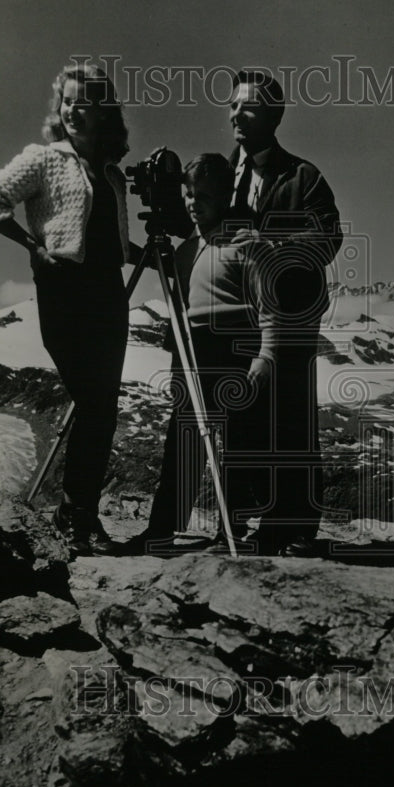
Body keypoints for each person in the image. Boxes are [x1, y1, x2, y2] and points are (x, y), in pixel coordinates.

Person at [0, 62, 131, 556]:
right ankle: (75, 516)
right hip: (63, 292)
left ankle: (79, 517)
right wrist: (31, 247)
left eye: (85, 101)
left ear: (105, 112)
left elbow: (109, 240)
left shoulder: (111, 173)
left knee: (103, 410)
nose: (74, 110)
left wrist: (144, 250)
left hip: (108, 295)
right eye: (67, 101)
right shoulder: (43, 159)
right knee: (94, 401)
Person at [130, 153, 277, 554]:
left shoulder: (247, 241)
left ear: (226, 195)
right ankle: (161, 529)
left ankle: (234, 530)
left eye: (205, 196)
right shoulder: (186, 248)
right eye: (189, 195)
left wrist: (265, 356)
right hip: (191, 346)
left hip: (235, 345)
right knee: (183, 439)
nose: (195, 203)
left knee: (238, 440)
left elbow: (270, 307)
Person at [227, 68, 343, 556]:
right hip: (238, 310)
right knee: (247, 409)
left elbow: (329, 238)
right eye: (232, 105)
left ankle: (294, 527)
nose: (235, 113)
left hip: (291, 312)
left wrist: (271, 242)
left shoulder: (304, 177)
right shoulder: (223, 174)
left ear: (273, 115)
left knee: (291, 414)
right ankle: (257, 518)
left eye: (247, 106)